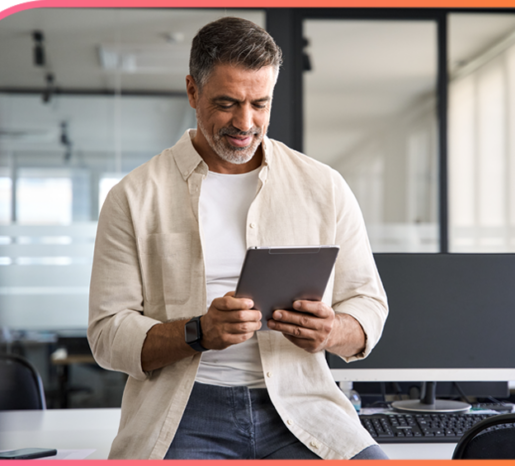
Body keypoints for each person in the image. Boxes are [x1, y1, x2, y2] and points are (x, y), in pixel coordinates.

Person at [87, 16, 388, 460]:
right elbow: (108, 334)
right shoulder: (133, 196)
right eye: (227, 103)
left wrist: (331, 331)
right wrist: (199, 333)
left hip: (302, 407)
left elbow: (369, 305)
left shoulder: (323, 187)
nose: (245, 123)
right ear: (193, 91)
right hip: (184, 414)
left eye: (260, 104)